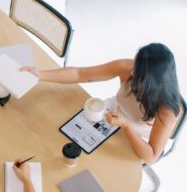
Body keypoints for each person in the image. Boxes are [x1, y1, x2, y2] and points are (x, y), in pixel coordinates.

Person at [23, 43, 182, 164]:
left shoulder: (167, 110)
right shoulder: (129, 67)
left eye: (138, 71)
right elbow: (81, 74)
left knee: (93, 164)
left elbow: (152, 156)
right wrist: (40, 75)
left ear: (151, 82)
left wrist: (125, 125)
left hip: (133, 139)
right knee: (57, 139)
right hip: (107, 114)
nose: (132, 71)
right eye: (135, 64)